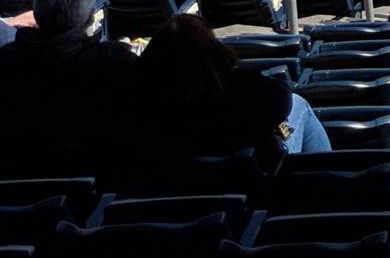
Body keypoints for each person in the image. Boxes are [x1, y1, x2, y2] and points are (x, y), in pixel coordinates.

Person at [0, 0, 144, 165]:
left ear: (35, 12)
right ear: (90, 18)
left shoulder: (0, 62)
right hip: (94, 177)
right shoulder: (116, 63)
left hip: (8, 179)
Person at [139, 12, 329, 162]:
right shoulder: (240, 85)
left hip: (173, 195)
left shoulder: (141, 98)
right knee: (299, 104)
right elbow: (282, 102)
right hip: (252, 187)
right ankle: (326, 180)